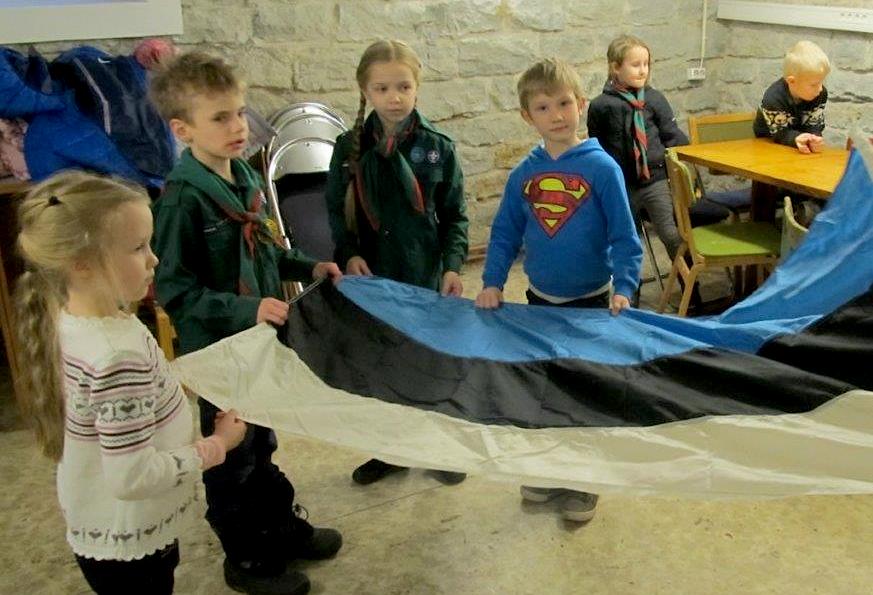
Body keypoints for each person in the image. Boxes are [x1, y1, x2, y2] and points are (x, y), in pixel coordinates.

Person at [149, 52, 342, 595]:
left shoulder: (240, 179)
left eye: (239, 113)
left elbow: (262, 255)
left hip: (257, 344)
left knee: (263, 441)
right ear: (182, 130)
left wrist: (309, 266)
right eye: (220, 119)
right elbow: (174, 291)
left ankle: (279, 527)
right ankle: (248, 557)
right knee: (233, 456)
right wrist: (246, 309)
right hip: (220, 352)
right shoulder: (184, 200)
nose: (237, 128)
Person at [13, 171, 247, 594]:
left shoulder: (77, 317)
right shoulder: (115, 358)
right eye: (139, 247)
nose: (154, 259)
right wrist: (218, 445)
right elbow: (133, 476)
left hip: (103, 522)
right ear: (81, 263)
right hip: (129, 538)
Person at [475, 58, 642, 522]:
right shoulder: (522, 175)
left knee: (584, 393)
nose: (557, 114)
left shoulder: (602, 169)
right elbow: (506, 233)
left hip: (592, 302)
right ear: (528, 116)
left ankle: (583, 481)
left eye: (565, 102)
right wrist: (491, 282)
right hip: (540, 303)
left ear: (581, 104)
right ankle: (550, 470)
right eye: (544, 107)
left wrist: (625, 287)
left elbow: (625, 237)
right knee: (544, 391)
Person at [324, 40, 470, 487]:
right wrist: (348, 254)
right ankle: (391, 449)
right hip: (374, 278)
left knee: (430, 361)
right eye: (382, 88)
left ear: (417, 87)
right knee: (382, 362)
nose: (394, 97)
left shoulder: (437, 148)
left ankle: (440, 447)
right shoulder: (349, 149)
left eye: (403, 86)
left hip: (425, 274)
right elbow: (335, 212)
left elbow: (455, 215)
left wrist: (451, 264)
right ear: (365, 90)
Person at [587, 34, 688, 295]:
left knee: (670, 233)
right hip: (621, 185)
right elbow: (596, 147)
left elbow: (672, 135)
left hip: (655, 179)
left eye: (646, 64)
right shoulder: (601, 106)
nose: (643, 70)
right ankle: (629, 290)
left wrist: (688, 156)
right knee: (626, 241)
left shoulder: (654, 99)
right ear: (615, 67)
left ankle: (689, 284)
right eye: (635, 64)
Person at [754, 40, 830, 154]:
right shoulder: (773, 98)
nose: (820, 89)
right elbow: (780, 133)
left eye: (821, 82)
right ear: (792, 81)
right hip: (767, 143)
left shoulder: (819, 94)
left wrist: (814, 139)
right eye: (814, 84)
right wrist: (796, 139)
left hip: (798, 143)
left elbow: (814, 124)